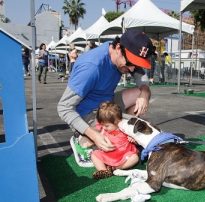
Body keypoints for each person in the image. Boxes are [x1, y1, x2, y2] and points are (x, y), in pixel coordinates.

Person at [57, 29, 155, 167]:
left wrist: (145, 93)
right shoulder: (91, 67)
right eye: (129, 63)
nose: (132, 69)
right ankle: (82, 139)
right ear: (118, 48)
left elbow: (141, 78)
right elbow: (64, 108)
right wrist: (93, 134)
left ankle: (111, 131)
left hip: (107, 104)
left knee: (139, 100)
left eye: (136, 64)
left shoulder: (122, 50)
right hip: (86, 112)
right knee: (110, 139)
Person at [91, 101, 139, 179]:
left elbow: (137, 141)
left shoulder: (124, 129)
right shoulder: (103, 129)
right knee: (94, 154)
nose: (103, 127)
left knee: (134, 158)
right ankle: (103, 171)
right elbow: (94, 131)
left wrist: (133, 139)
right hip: (108, 155)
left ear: (117, 122)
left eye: (106, 125)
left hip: (123, 156)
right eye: (102, 125)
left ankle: (115, 168)